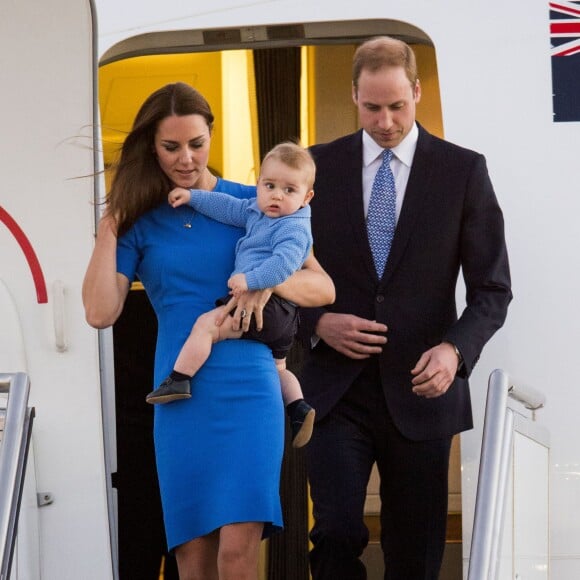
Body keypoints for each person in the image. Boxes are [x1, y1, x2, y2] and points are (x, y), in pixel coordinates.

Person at [82, 81, 335, 580]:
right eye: (170, 147)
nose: (185, 159)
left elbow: (323, 288)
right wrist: (110, 226)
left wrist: (268, 281)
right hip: (180, 394)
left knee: (237, 552)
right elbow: (99, 312)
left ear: (211, 137)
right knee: (191, 558)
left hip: (249, 387)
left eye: (197, 143)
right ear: (150, 147)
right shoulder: (140, 223)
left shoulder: (257, 202)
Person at [297, 36, 512, 579]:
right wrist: (317, 321)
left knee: (415, 550)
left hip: (423, 389)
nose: (386, 120)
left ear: (416, 91)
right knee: (336, 534)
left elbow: (492, 289)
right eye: (372, 107)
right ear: (354, 96)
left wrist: (454, 352)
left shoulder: (463, 171)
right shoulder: (315, 169)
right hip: (335, 392)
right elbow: (279, 274)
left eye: (397, 105)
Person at [146, 141, 317, 448]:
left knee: (207, 326)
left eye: (289, 190)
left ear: (307, 198)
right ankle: (298, 407)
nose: (277, 195)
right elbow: (227, 207)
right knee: (280, 368)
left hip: (269, 308)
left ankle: (179, 378)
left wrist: (249, 280)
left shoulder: (293, 228)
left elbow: (283, 265)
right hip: (282, 322)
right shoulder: (258, 210)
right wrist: (193, 197)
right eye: (270, 185)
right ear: (259, 185)